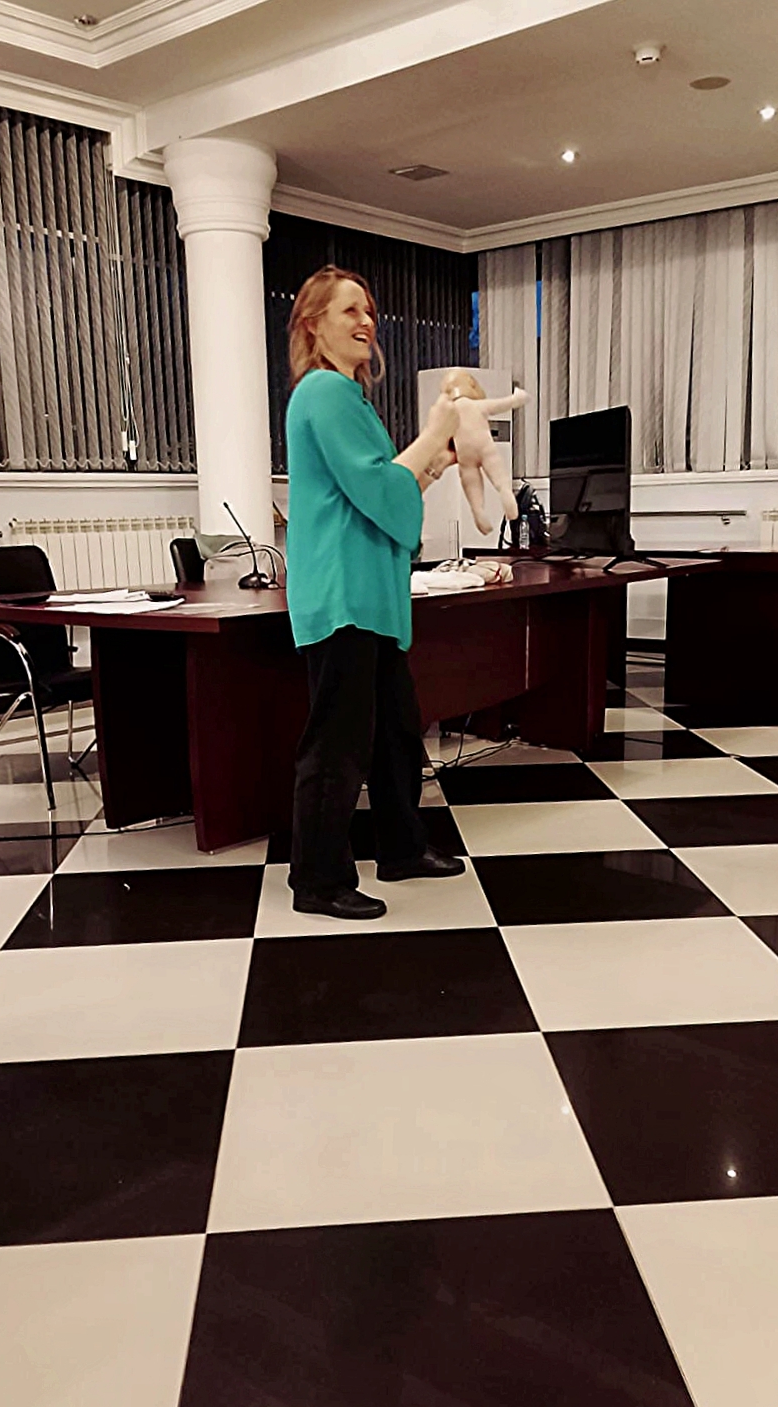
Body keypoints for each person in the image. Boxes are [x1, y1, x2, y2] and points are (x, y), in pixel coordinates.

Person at [284, 265, 465, 921]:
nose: (366, 322)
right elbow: (380, 490)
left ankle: (401, 848)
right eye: (350, 311)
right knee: (338, 744)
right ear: (314, 325)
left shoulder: (349, 398)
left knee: (395, 731)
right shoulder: (325, 392)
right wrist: (433, 433)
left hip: (371, 598)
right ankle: (317, 879)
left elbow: (383, 488)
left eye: (368, 310)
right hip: (344, 597)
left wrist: (430, 465)